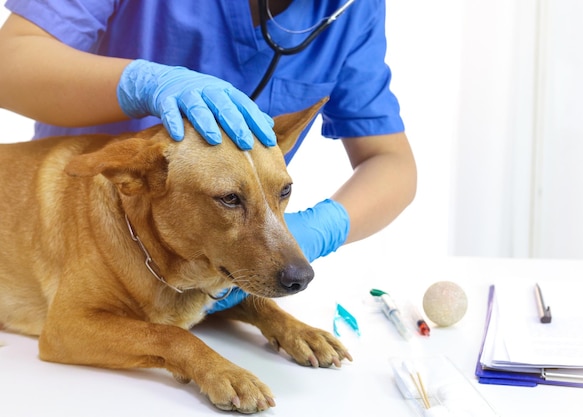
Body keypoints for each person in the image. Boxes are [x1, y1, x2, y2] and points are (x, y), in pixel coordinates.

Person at [0, 0, 417, 311]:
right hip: (66, 247)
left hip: (205, 274)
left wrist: (323, 227)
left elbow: (389, 161)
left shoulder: (349, 8)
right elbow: (10, 62)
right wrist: (143, 83)